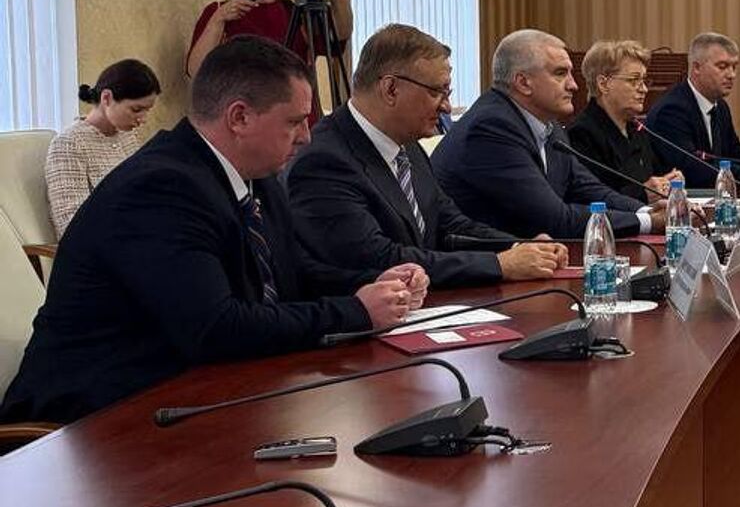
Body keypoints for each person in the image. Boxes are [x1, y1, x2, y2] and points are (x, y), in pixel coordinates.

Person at [0, 38, 423, 428]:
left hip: (188, 395)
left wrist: (376, 287)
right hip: (90, 422)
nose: (306, 137)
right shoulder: (161, 188)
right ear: (239, 117)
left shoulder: (256, 177)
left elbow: (293, 275)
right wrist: (355, 311)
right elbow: (217, 328)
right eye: (294, 122)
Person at [290, 24, 569, 288]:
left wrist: (520, 247)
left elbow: (449, 224)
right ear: (391, 89)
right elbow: (380, 259)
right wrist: (499, 265)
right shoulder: (325, 162)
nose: (446, 107)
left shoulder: (407, 144)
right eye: (437, 92)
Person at [432, 29, 662, 239]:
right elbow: (555, 220)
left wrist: (647, 211)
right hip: (485, 262)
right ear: (523, 82)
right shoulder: (492, 128)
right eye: (560, 74)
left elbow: (587, 189)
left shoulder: (549, 126)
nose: (573, 85)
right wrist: (649, 222)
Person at [187, 0, 353, 123]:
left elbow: (340, 34)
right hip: (247, 120)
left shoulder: (296, 11)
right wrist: (217, 20)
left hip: (299, 121)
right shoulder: (220, 12)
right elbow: (196, 70)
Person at [44, 59, 162, 237]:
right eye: (136, 109)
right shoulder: (69, 145)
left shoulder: (128, 136)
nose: (143, 119)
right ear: (106, 98)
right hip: (105, 244)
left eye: (148, 110)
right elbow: (71, 225)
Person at [644, 32, 740, 189]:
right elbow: (695, 171)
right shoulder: (671, 111)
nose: (732, 75)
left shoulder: (720, 106)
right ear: (696, 68)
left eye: (734, 67)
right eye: (722, 67)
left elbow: (735, 154)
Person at [564, 39, 681, 201]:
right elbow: (591, 197)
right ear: (603, 84)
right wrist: (643, 194)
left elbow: (653, 178)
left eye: (644, 80)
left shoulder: (636, 128)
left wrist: (669, 182)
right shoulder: (582, 134)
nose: (644, 89)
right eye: (634, 80)